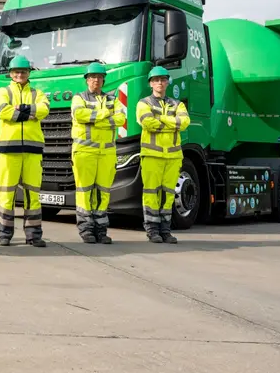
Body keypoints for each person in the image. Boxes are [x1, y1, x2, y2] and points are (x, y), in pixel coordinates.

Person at [0, 55, 50, 247]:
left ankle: (34, 235)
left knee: (33, 193)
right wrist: (29, 114)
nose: (20, 74)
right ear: (10, 73)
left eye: (23, 71)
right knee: (6, 192)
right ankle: (4, 234)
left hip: (33, 149)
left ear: (28, 73)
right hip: (9, 148)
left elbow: (45, 109)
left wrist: (22, 109)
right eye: (16, 72)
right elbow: (2, 111)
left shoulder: (37, 92)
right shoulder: (3, 91)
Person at [70, 62, 127, 244]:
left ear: (103, 80)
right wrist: (105, 115)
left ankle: (101, 230)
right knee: (85, 191)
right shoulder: (78, 98)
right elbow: (80, 115)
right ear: (87, 80)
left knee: (103, 192)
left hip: (107, 153)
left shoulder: (113, 99)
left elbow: (121, 119)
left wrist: (95, 117)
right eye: (92, 77)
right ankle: (86, 230)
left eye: (99, 77)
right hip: (84, 152)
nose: (96, 80)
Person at [136, 65, 191, 243]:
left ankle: (165, 230)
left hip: (173, 157)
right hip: (152, 156)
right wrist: (171, 122)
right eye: (156, 80)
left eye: (163, 79)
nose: (160, 83)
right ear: (151, 83)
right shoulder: (143, 103)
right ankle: (152, 230)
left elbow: (184, 122)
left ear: (167, 82)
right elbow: (147, 122)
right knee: (151, 193)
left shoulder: (178, 103)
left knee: (168, 194)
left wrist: (161, 119)